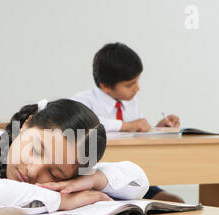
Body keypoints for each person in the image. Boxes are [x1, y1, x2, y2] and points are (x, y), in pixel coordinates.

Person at [0, 99, 149, 215]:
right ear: (26, 124)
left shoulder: (70, 166)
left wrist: (93, 180)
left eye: (54, 173)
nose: (33, 171)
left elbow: (138, 181)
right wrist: (63, 201)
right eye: (36, 150)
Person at [72, 42, 183, 203]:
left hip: (131, 181)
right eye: (130, 84)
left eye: (137, 81)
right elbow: (87, 125)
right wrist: (128, 125)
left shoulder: (131, 102)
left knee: (175, 201)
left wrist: (157, 128)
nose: (137, 88)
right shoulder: (82, 101)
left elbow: (135, 133)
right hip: (99, 182)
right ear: (105, 87)